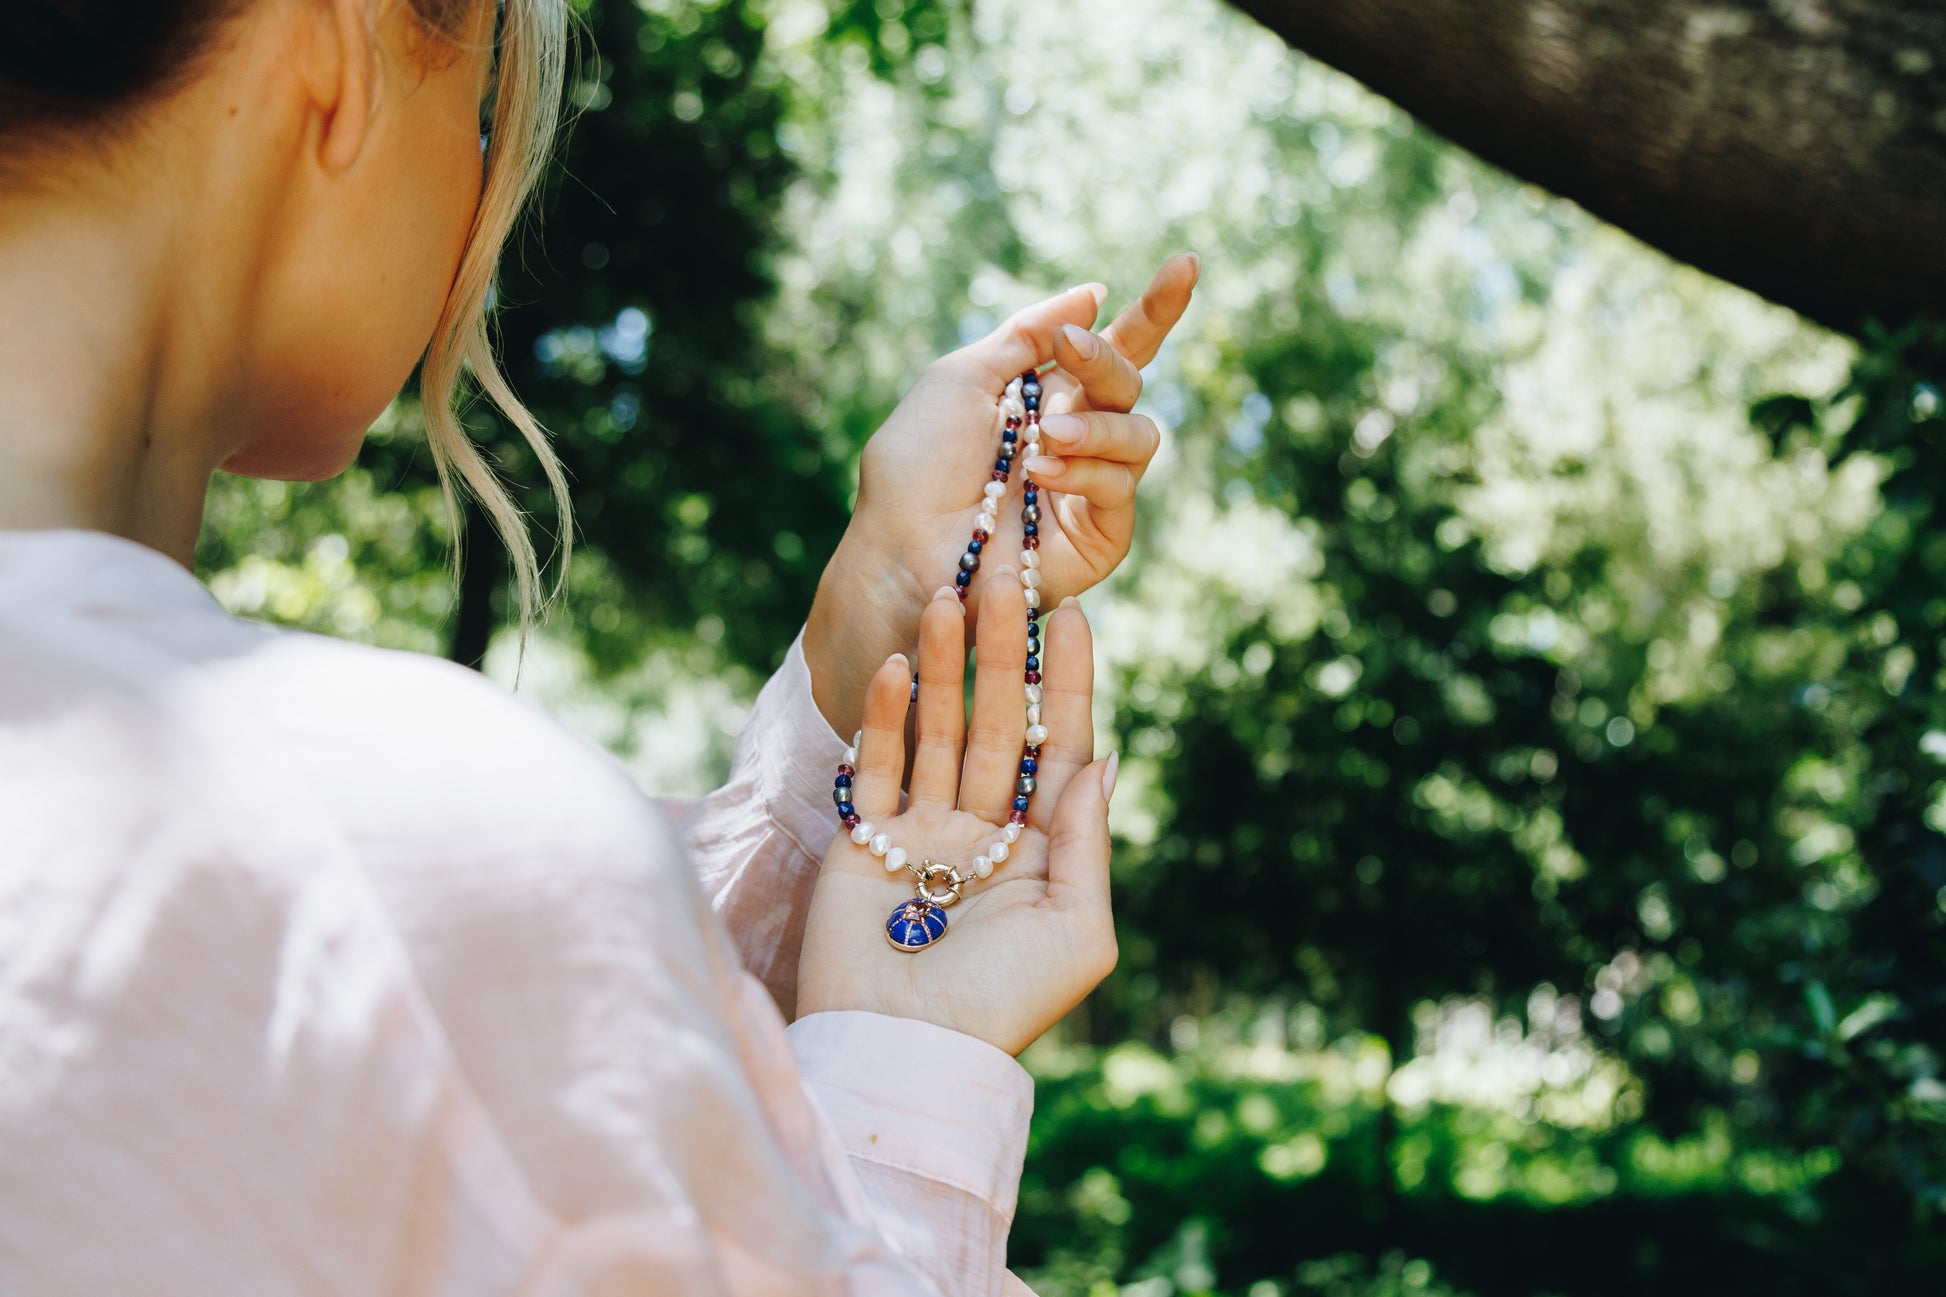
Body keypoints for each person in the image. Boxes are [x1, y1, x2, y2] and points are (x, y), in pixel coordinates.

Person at [0, 1, 1198, 1293]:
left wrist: (864, 652)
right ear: (335, 46)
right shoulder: (365, 858)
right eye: (476, 113)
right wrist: (903, 1077)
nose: (478, 200)